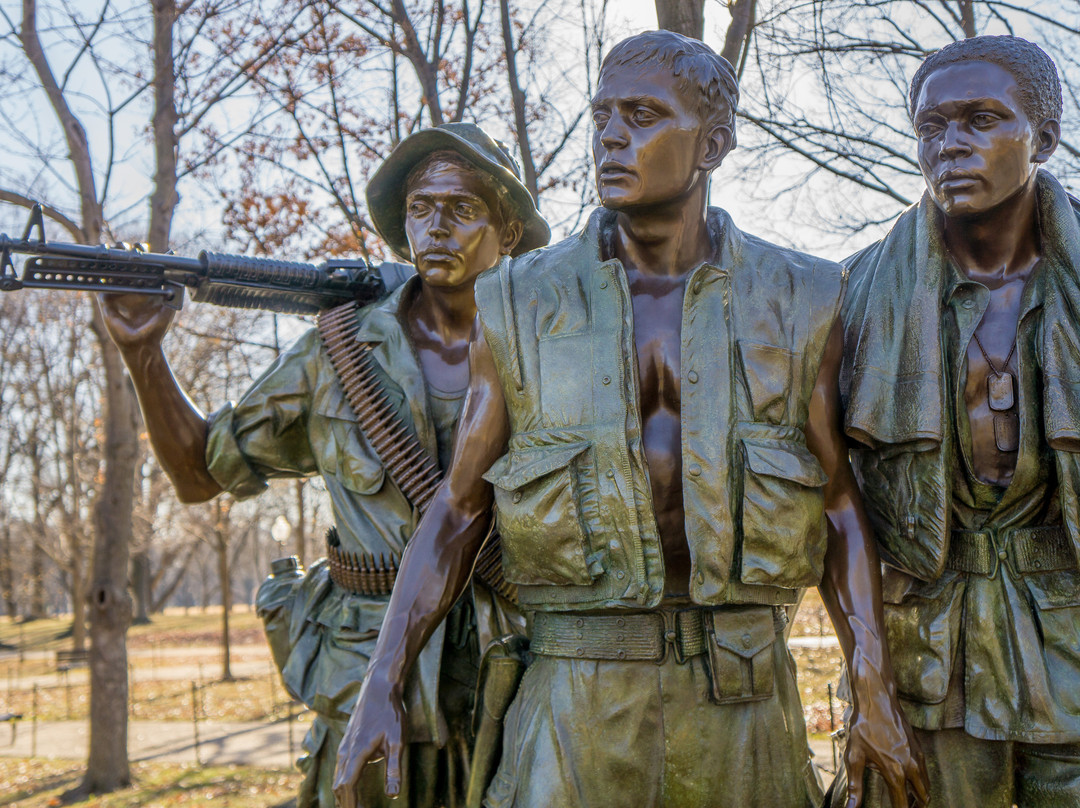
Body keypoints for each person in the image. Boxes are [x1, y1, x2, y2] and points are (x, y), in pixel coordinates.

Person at [334, 31, 927, 808]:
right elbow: (458, 507)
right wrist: (384, 676)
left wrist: (870, 683)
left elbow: (839, 502)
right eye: (601, 116)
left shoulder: (803, 297)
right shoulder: (517, 301)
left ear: (713, 143)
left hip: (744, 696)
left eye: (642, 115)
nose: (611, 136)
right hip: (576, 699)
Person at [99, 122, 549, 808]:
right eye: (421, 209)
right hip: (362, 684)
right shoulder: (336, 354)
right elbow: (199, 474)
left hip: (508, 681)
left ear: (509, 230)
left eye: (463, 209)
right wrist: (144, 355)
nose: (436, 227)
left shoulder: (552, 355)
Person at [836, 35, 1080, 807]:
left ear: (1041, 138)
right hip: (927, 662)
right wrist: (866, 683)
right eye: (932, 127)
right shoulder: (851, 296)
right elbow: (832, 504)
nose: (951, 146)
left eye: (980, 119)